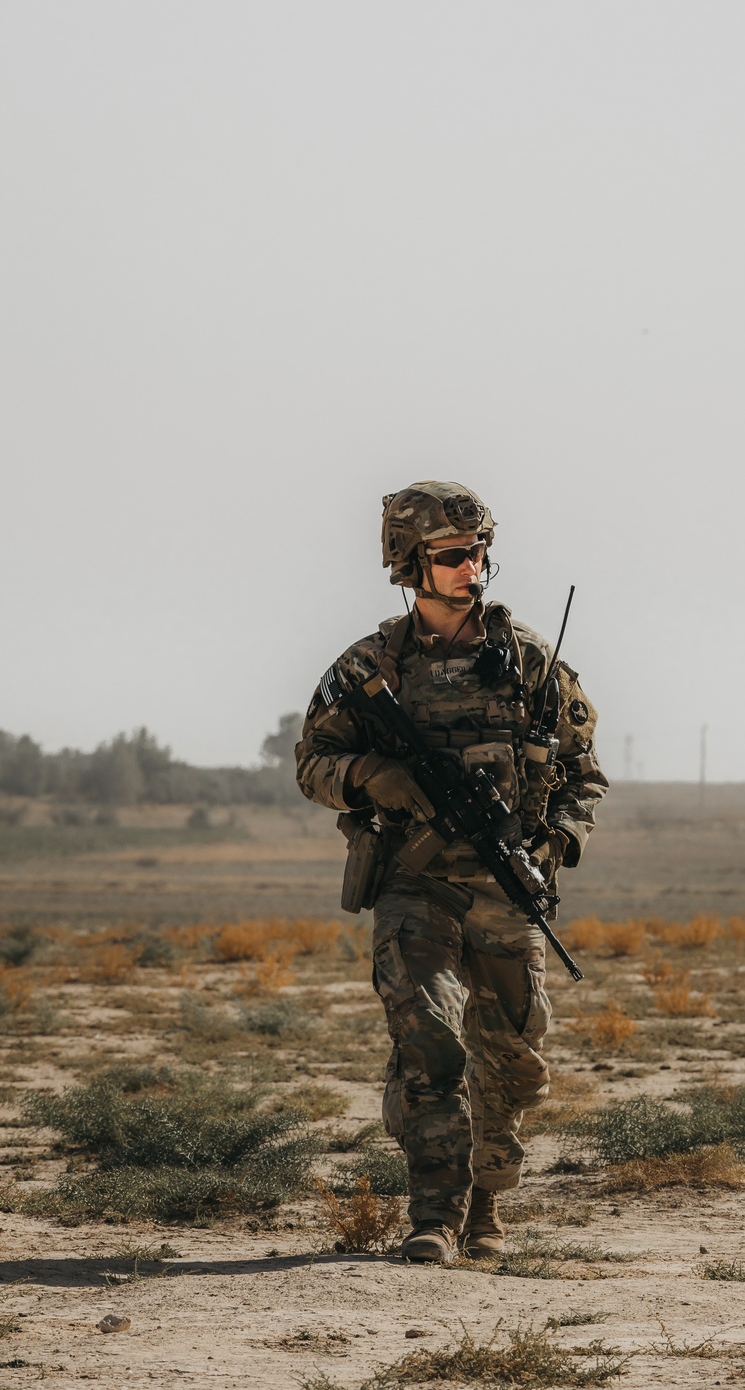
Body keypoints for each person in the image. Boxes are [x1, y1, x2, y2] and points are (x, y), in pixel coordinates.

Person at [295, 482, 607, 1263]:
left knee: (512, 1057)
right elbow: (312, 763)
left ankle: (487, 1207)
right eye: (453, 554)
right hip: (416, 884)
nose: (473, 566)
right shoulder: (370, 667)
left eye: (478, 551)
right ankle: (433, 1213)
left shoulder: (530, 661)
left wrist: (553, 844)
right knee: (429, 1040)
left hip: (507, 891)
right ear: (410, 561)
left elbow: (584, 775)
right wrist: (370, 773)